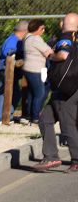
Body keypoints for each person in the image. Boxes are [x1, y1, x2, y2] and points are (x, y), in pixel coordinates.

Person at [35, 12, 78, 172]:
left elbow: (63, 54)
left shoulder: (66, 38)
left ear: (63, 24)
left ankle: (75, 159)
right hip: (73, 85)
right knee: (45, 118)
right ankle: (51, 156)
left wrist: (51, 55)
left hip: (66, 88)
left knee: (68, 123)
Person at [0, 20, 27, 124]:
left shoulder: (18, 40)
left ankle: (9, 114)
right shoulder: (13, 39)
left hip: (13, 71)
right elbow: (8, 52)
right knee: (4, 92)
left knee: (16, 93)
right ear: (24, 31)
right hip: (5, 69)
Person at [21, 19, 53, 125]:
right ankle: (35, 117)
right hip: (35, 69)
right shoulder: (35, 39)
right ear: (38, 28)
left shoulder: (27, 37)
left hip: (28, 69)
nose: (43, 31)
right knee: (40, 93)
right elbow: (48, 51)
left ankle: (30, 115)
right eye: (42, 28)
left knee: (32, 93)